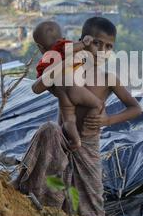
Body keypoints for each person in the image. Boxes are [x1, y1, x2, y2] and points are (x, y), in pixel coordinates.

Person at [13, 17, 142, 216]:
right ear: (84, 41)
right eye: (97, 43)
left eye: (109, 47)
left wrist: (108, 120)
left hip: (88, 147)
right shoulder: (66, 70)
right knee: (48, 130)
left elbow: (135, 108)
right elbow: (37, 87)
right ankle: (41, 206)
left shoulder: (108, 78)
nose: (102, 50)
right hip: (63, 140)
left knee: (91, 209)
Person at [32, 21, 104, 150]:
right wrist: (83, 43)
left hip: (62, 94)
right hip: (74, 89)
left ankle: (74, 141)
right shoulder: (65, 47)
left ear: (39, 46)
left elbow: (38, 85)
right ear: (62, 38)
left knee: (67, 121)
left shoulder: (44, 62)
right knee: (98, 104)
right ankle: (85, 133)